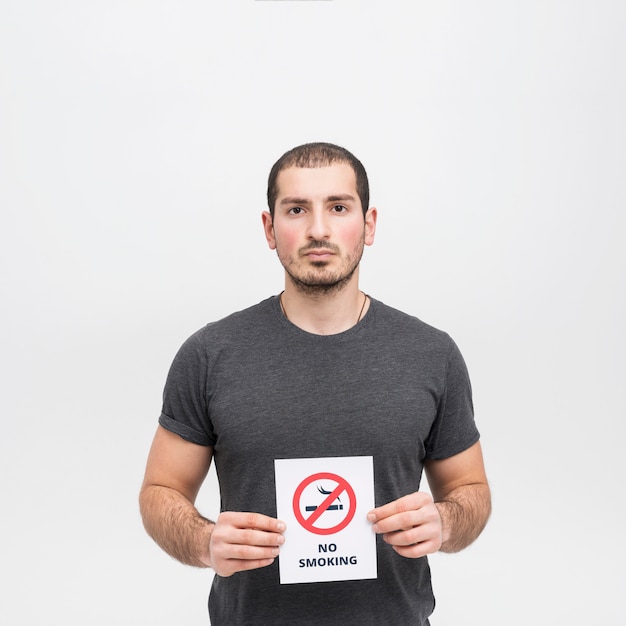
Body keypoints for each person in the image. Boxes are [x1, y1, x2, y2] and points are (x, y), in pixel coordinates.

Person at [139, 142, 491, 625]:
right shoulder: (209, 355)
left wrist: (445, 522)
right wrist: (204, 541)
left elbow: (471, 489)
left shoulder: (432, 354)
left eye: (339, 207)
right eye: (297, 209)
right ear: (270, 228)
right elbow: (160, 491)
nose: (318, 229)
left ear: (368, 225)